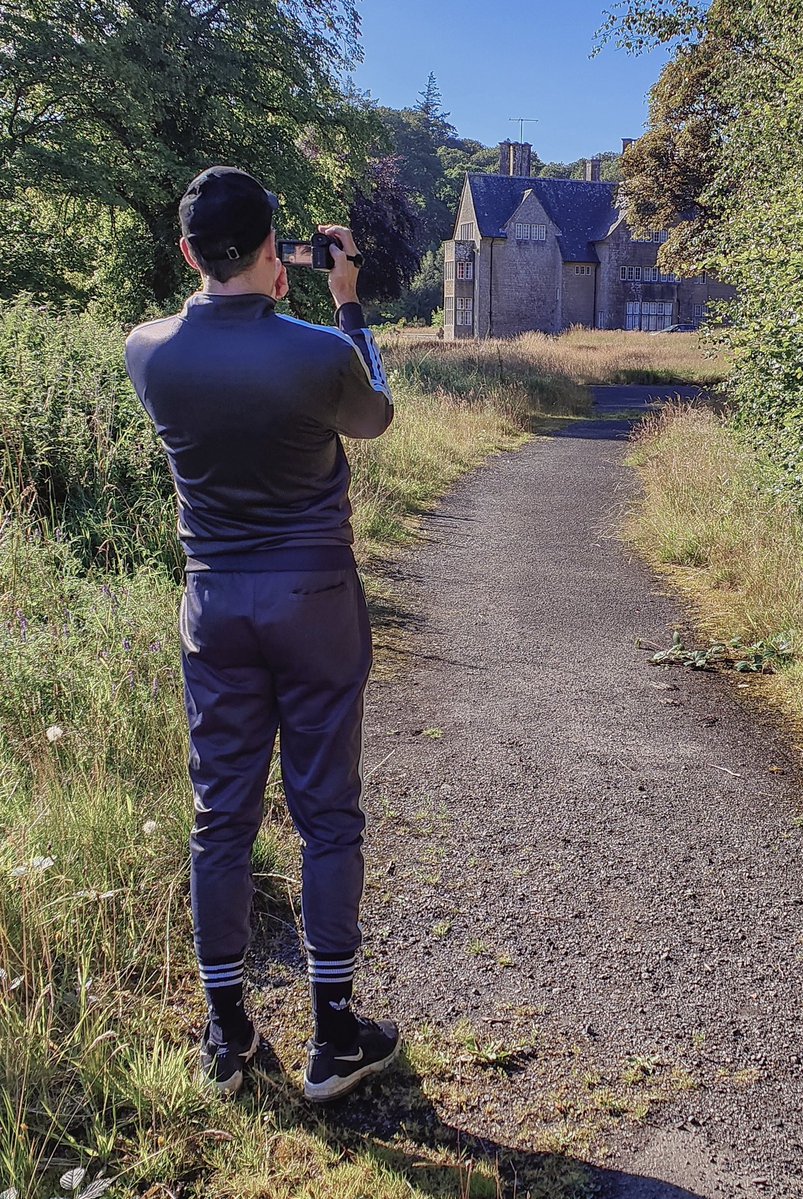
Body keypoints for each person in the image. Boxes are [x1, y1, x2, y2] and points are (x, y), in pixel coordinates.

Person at [124, 166, 397, 1102]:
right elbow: (374, 416)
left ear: (189, 251)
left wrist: (261, 291)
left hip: (215, 601)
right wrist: (346, 302)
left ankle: (226, 1031)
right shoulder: (319, 351)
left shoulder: (146, 350)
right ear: (279, 251)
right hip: (315, 597)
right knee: (328, 812)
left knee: (222, 814)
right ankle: (334, 1034)